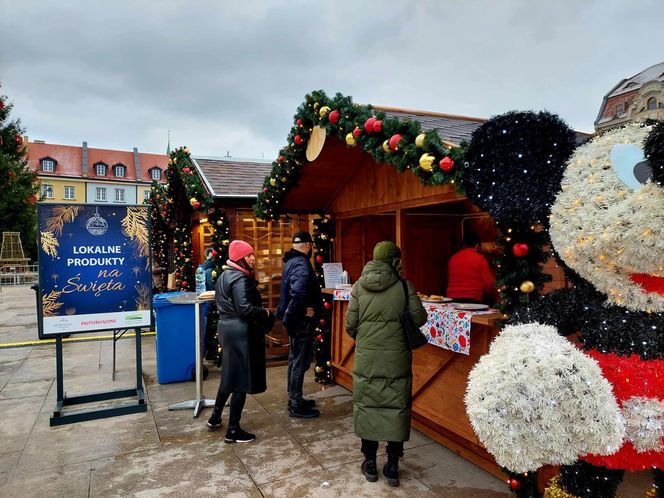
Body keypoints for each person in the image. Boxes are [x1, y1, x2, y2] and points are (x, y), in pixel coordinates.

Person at [345, 241, 427, 487]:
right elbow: (419, 319)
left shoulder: (359, 286)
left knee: (368, 405)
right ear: (395, 260)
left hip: (367, 359)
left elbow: (351, 327)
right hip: (396, 359)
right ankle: (392, 467)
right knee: (396, 407)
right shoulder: (404, 286)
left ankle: (369, 463)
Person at [207, 240, 274, 443]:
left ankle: (215, 418)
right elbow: (245, 308)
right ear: (240, 259)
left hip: (227, 330)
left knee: (229, 375)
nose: (253, 258)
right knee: (241, 381)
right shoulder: (241, 279)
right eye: (249, 255)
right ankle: (233, 431)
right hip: (241, 334)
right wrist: (266, 312)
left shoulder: (223, 276)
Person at [277, 231, 322, 419]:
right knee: (299, 361)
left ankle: (295, 398)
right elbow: (298, 291)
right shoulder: (302, 264)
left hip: (294, 320)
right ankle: (296, 404)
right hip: (300, 322)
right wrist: (302, 310)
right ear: (308, 245)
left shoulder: (291, 261)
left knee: (294, 359)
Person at [446, 231, 496, 305]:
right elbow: (488, 284)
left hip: (452, 299)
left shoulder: (453, 258)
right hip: (473, 299)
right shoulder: (480, 258)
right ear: (477, 245)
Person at [201, 247, 219, 361]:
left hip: (208, 304)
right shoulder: (210, 271)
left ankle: (207, 352)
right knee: (211, 329)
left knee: (209, 329)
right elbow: (213, 287)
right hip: (211, 303)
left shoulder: (204, 269)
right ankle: (210, 351)